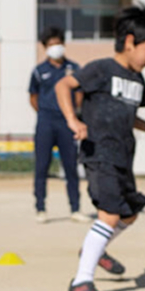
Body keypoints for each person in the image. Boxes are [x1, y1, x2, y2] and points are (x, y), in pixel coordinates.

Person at [56, 5, 145, 291]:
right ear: (130, 42)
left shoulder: (138, 80)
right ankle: (81, 282)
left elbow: (132, 118)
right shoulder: (101, 69)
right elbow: (64, 85)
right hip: (99, 153)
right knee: (110, 214)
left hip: (123, 157)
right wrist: (73, 120)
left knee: (129, 214)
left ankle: (95, 247)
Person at [29, 27, 90, 224]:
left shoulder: (74, 68)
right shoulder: (39, 71)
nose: (55, 47)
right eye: (51, 44)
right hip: (45, 122)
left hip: (67, 123)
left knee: (71, 167)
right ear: (45, 47)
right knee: (41, 167)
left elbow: (79, 94)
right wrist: (45, 112)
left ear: (63, 44)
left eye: (58, 43)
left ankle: (75, 209)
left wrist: (72, 113)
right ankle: (40, 208)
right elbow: (33, 97)